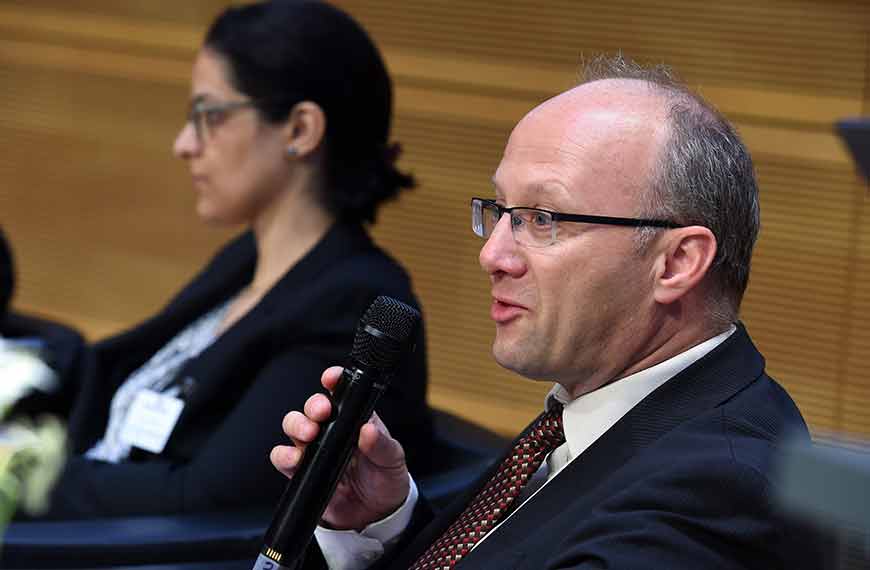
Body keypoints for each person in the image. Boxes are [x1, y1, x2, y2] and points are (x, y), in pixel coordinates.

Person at [273, 54, 828, 569]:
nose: (492, 255)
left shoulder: (715, 492)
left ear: (677, 262)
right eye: (501, 211)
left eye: (543, 219)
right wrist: (384, 524)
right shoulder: (597, 410)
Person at [23, 0, 432, 519]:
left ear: (300, 129)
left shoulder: (354, 304)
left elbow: (206, 502)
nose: (184, 144)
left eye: (209, 116)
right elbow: (108, 372)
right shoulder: (247, 263)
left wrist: (19, 472)